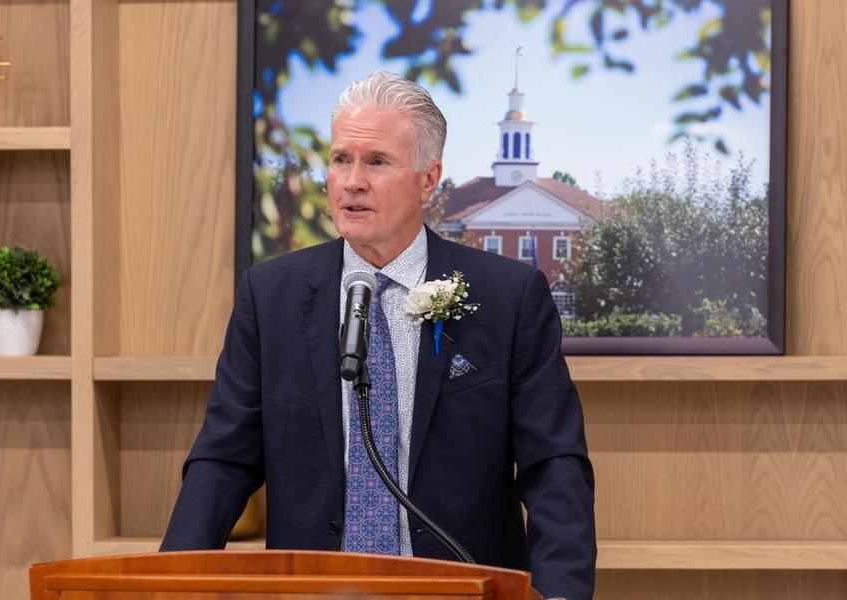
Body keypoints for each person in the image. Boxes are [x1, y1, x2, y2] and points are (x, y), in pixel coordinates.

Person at [161, 71, 596, 600]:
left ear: (427, 178)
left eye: (377, 162)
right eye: (341, 159)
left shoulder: (509, 297)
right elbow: (224, 461)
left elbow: (554, 467)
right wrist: (169, 583)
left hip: (462, 588)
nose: (352, 181)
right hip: (314, 591)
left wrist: (562, 594)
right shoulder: (269, 295)